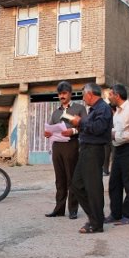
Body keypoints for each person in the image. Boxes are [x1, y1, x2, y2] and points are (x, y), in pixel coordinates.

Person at [69, 83, 112, 234]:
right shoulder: (93, 110)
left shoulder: (103, 108)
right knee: (76, 184)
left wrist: (81, 121)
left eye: (83, 95)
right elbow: (90, 127)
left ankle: (96, 223)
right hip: (86, 149)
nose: (83, 98)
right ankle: (94, 217)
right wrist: (77, 126)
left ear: (89, 94)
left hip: (94, 150)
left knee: (93, 188)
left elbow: (99, 128)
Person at [44, 81, 86, 219]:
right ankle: (59, 209)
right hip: (57, 147)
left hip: (71, 145)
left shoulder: (79, 108)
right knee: (59, 179)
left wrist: (73, 130)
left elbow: (85, 126)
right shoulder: (56, 112)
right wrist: (47, 133)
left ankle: (73, 209)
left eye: (64, 93)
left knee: (71, 178)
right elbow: (50, 127)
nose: (62, 96)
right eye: (60, 94)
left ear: (70, 94)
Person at [104, 84, 129, 226]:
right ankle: (115, 214)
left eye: (110, 95)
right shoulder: (118, 112)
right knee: (114, 183)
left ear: (117, 95)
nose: (109, 98)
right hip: (119, 150)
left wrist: (117, 134)